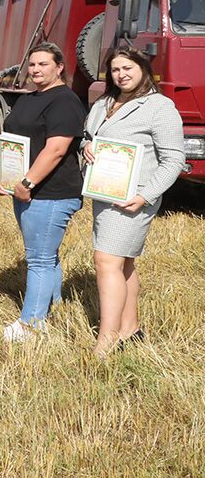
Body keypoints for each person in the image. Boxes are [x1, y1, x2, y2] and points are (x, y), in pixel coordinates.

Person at [83, 47, 185, 357]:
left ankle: (107, 340)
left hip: (134, 199)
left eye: (128, 68)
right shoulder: (104, 103)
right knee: (123, 263)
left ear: (143, 68)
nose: (121, 75)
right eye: (115, 70)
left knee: (105, 262)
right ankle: (130, 329)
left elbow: (174, 159)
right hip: (105, 193)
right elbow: (89, 135)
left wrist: (145, 196)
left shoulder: (159, 107)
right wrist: (86, 146)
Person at [0, 43, 86, 341]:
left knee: (39, 259)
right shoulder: (28, 98)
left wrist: (27, 183)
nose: (36, 70)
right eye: (32, 65)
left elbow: (56, 150)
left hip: (51, 194)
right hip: (25, 191)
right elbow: (9, 138)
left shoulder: (65, 101)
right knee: (46, 255)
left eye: (43, 64)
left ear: (59, 67)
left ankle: (31, 324)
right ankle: (53, 307)